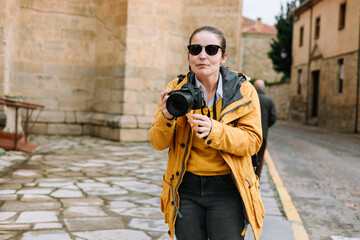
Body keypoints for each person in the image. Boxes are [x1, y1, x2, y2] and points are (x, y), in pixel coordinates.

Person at [150, 26, 264, 240]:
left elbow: (253, 141)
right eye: (195, 49)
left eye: (211, 49)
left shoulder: (243, 91)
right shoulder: (176, 90)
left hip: (228, 189)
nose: (203, 56)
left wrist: (215, 131)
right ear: (189, 55)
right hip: (186, 188)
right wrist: (166, 118)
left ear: (223, 57)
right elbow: (158, 142)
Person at [253, 80, 277, 179]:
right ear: (263, 88)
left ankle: (248, 175)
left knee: (248, 155)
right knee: (260, 156)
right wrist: (266, 126)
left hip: (249, 132)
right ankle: (257, 176)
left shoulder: (249, 98)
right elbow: (273, 117)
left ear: (254, 87)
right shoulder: (268, 100)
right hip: (263, 134)